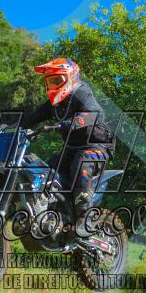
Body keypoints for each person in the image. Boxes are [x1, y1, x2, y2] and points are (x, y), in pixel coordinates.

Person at [20, 58, 116, 222]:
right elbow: (31, 118)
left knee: (82, 162)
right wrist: (5, 126)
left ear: (71, 77)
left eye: (56, 80)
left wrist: (69, 123)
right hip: (72, 149)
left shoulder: (81, 92)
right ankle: (52, 214)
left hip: (98, 146)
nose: (52, 85)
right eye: (49, 82)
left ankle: (84, 216)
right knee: (47, 169)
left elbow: (97, 113)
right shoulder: (54, 104)